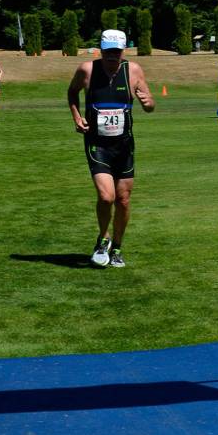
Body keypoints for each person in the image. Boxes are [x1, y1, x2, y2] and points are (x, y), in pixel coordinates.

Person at [67, 29, 155, 268]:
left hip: (124, 145)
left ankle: (116, 247)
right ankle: (102, 239)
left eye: (116, 52)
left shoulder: (133, 70)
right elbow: (72, 92)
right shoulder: (87, 69)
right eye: (108, 51)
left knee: (123, 200)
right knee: (107, 197)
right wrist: (76, 116)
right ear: (101, 49)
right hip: (98, 144)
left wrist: (148, 103)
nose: (112, 56)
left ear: (123, 50)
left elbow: (150, 103)